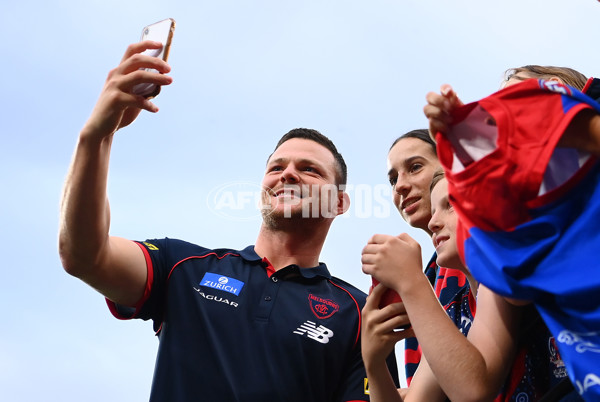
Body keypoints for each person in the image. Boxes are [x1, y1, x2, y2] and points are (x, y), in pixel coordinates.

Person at [58, 40, 398, 402]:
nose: (288, 175)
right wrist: (97, 135)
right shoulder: (182, 267)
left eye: (309, 170)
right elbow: (84, 256)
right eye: (276, 168)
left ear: (340, 203)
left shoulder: (361, 313)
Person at [421, 65, 600, 400]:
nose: (506, 118)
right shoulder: (538, 217)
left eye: (519, 99)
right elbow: (511, 278)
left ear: (560, 90)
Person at [362, 170, 577, 401]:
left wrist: (411, 280)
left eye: (450, 204)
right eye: (433, 211)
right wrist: (374, 364)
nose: (433, 222)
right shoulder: (453, 311)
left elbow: (473, 391)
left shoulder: (504, 276)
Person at [385, 129, 474, 385]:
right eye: (392, 180)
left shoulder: (482, 254)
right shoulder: (429, 276)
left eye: (414, 167)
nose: (400, 185)